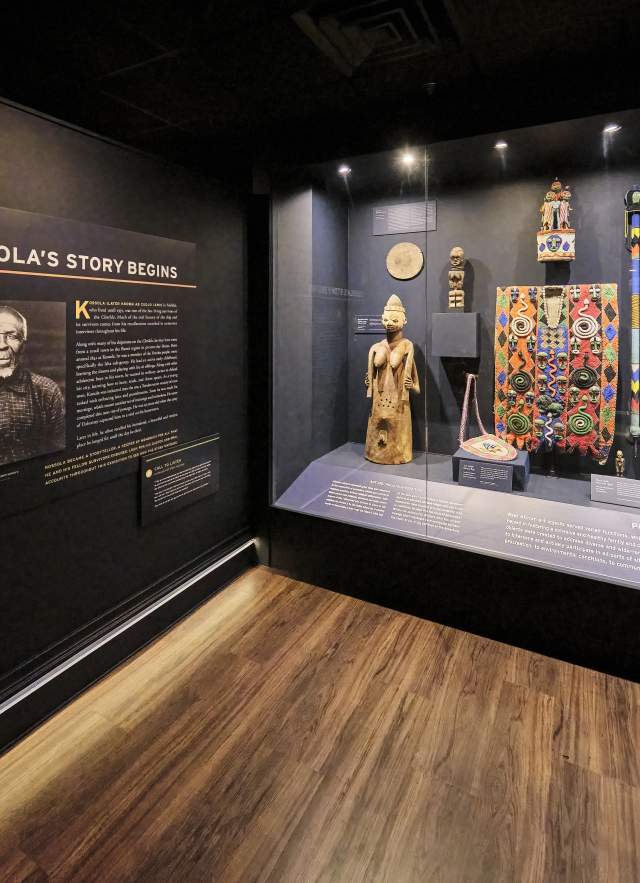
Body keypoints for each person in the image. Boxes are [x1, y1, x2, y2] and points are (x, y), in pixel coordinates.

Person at [0, 305, 65, 466]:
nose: (2, 345)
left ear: (23, 343)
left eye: (11, 336)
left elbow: (58, 450)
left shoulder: (46, 390)